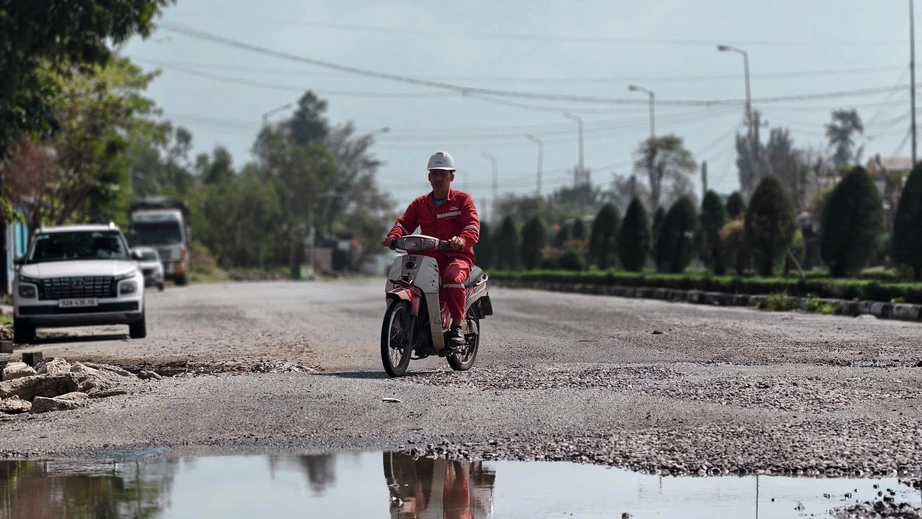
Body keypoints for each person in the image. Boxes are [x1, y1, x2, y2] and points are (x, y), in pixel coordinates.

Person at [383, 151, 480, 349]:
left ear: (452, 176)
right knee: (401, 281)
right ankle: (402, 324)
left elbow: (472, 226)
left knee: (452, 278)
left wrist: (461, 240)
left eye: (443, 174)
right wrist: (393, 236)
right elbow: (404, 223)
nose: (438, 178)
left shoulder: (462, 200)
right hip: (426, 259)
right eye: (434, 174)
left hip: (456, 257)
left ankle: (456, 327)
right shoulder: (420, 204)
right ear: (428, 177)